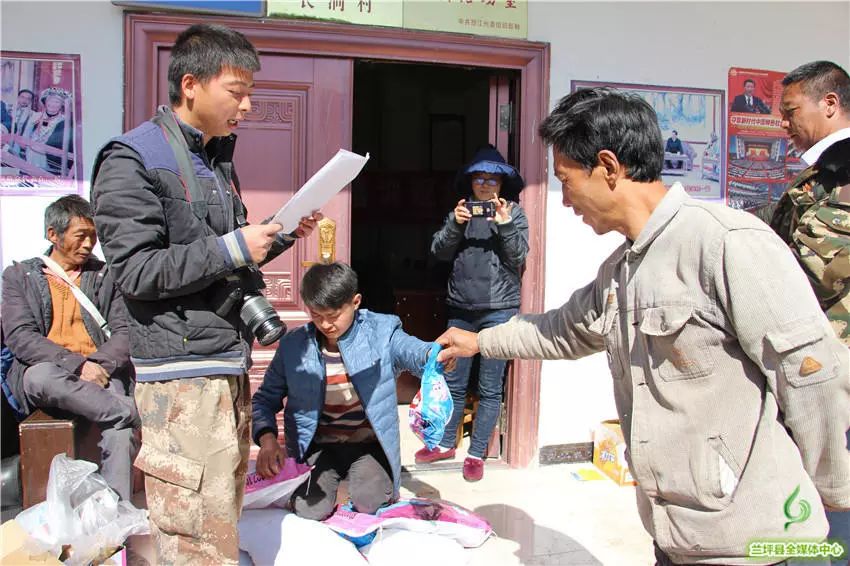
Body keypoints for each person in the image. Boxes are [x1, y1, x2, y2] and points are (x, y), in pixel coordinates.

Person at [436, 87, 850, 565]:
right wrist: (480, 340)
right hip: (674, 534)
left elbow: (814, 376)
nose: (565, 199)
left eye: (566, 181)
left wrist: (831, 501)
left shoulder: (724, 243)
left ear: (609, 168)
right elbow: (561, 330)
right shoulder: (622, 269)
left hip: (756, 543)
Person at [90, 24, 321, 564]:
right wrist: (235, 246)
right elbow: (137, 271)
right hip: (180, 376)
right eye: (236, 91)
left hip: (222, 362)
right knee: (193, 534)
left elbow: (211, 253)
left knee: (218, 520)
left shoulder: (212, 160)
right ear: (191, 84)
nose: (248, 104)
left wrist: (275, 235)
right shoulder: (132, 159)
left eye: (249, 92)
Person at [252, 262, 443, 520]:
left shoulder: (382, 332)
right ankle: (332, 482)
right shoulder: (293, 347)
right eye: (317, 316)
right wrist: (267, 440)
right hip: (318, 446)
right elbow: (264, 400)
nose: (326, 324)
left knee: (370, 504)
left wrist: (437, 355)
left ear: (355, 302)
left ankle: (359, 481)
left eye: (334, 315)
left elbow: (414, 351)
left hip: (367, 444)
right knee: (308, 510)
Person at [758, 60, 850, 565]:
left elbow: (824, 262)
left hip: (839, 369)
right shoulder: (821, 173)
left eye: (791, 112)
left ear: (830, 104)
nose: (784, 124)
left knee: (835, 500)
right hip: (812, 363)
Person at [1, 195, 139, 500]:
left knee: (120, 433)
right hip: (54, 373)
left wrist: (97, 364)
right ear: (53, 235)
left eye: (93, 236)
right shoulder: (19, 276)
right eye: (81, 236)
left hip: (102, 369)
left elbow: (125, 332)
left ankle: (117, 517)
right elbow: (20, 335)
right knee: (39, 377)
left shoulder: (106, 276)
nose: (89, 244)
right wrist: (77, 365)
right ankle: (131, 411)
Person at [416, 145, 528, 482]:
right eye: (478, 179)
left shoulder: (515, 213)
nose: (484, 185)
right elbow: (438, 250)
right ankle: (445, 443)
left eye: (491, 179)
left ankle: (477, 453)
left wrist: (505, 224)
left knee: (491, 386)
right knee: (452, 382)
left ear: (501, 183)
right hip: (461, 308)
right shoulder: (461, 211)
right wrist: (454, 223)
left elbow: (518, 256)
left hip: (499, 311)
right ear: (470, 182)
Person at [22, 87, 73, 176]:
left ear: (62, 105)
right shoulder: (35, 117)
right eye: (50, 101)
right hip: (30, 154)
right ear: (45, 102)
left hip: (49, 159)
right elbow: (24, 137)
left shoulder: (65, 121)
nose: (53, 104)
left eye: (57, 102)